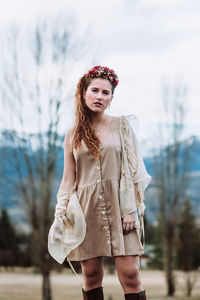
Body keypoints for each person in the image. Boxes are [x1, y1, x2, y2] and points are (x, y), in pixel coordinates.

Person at [48, 65, 152, 300]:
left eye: (106, 93)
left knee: (131, 275)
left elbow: (134, 172)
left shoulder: (123, 127)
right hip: (85, 211)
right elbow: (68, 179)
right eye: (94, 90)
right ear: (83, 93)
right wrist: (60, 212)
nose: (99, 96)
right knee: (92, 276)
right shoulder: (73, 134)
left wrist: (130, 210)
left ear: (111, 98)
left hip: (121, 208)